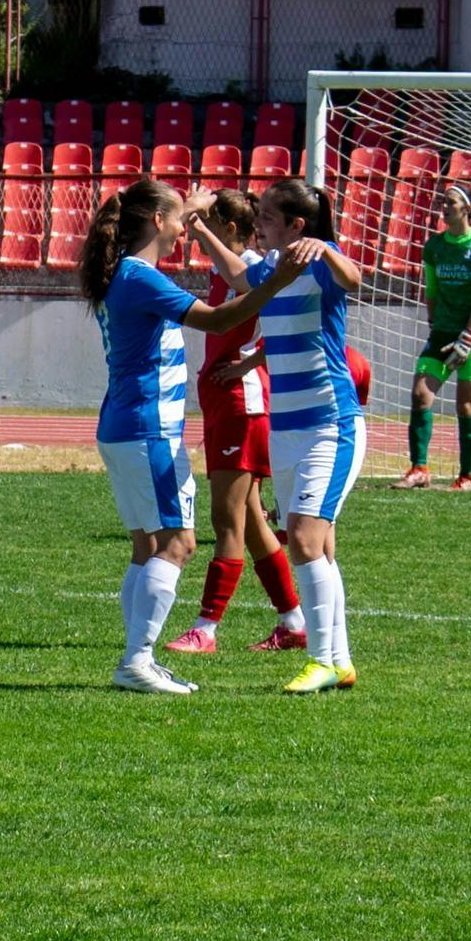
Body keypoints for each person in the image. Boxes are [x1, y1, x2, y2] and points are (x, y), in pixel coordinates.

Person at [82, 181, 309, 694]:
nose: (184, 227)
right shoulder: (140, 278)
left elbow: (168, 220)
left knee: (146, 548)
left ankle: (135, 657)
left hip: (124, 426)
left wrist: (196, 208)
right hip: (147, 430)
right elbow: (219, 318)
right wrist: (276, 282)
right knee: (179, 544)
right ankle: (137, 660)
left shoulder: (124, 271)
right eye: (177, 219)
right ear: (157, 223)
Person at [192, 177, 365, 694]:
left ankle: (319, 659)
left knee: (306, 539)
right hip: (287, 425)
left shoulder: (320, 256)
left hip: (329, 423)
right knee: (320, 547)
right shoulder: (271, 268)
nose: (258, 226)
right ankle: (341, 660)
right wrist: (199, 226)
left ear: (296, 225)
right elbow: (241, 276)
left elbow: (353, 280)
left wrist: (328, 252)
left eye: (267, 217)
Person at [165, 189, 309, 655]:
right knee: (249, 522)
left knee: (226, 519)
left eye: (209, 225)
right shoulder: (233, 264)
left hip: (240, 405)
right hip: (226, 400)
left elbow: (273, 309)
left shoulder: (249, 264)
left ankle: (205, 628)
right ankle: (293, 621)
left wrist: (249, 365)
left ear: (229, 229)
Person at [395, 184, 471, 491]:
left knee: (465, 405)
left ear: (466, 209)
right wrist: (434, 323)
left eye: (449, 202)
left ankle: (466, 476)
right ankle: (419, 468)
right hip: (442, 331)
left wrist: (468, 338)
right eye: (443, 202)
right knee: (420, 395)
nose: (443, 207)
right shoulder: (434, 246)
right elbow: (432, 291)